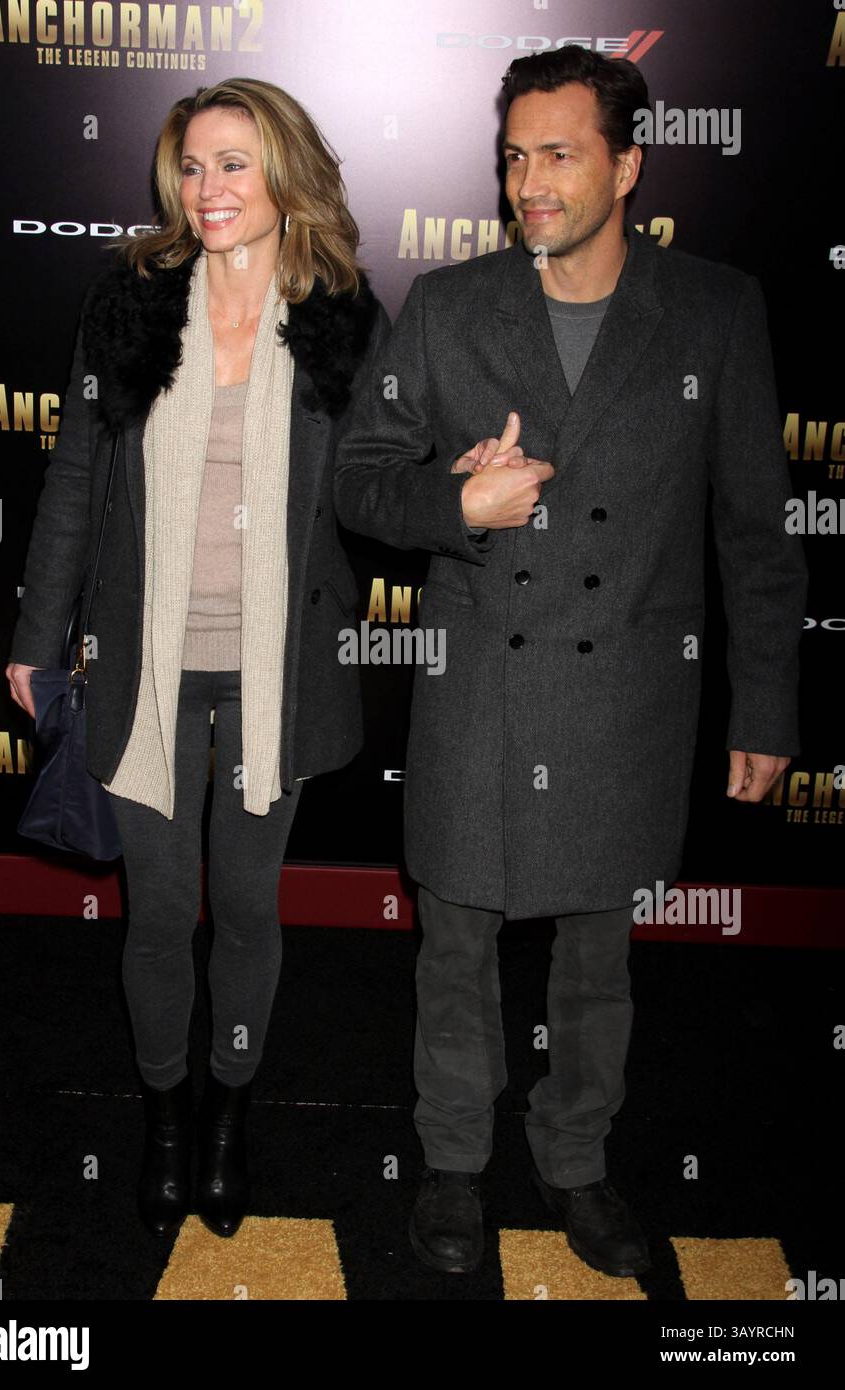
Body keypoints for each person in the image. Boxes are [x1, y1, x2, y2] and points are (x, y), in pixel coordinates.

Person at [333, 46, 808, 1277]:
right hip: (481, 694)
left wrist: (764, 703)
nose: (528, 181)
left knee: (598, 970)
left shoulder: (714, 310)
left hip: (626, 704)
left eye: (558, 152)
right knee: (454, 954)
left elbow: (755, 530)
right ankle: (449, 1165)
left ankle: (578, 1162)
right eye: (512, 155)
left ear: (627, 164)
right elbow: (358, 477)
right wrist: (460, 508)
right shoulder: (447, 306)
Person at [6, 78, 388, 1240]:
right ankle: (165, 1113)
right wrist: (36, 637)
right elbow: (77, 477)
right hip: (148, 668)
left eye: (233, 163)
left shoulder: (343, 317)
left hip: (274, 673)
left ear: (285, 176)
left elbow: (374, 486)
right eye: (192, 166)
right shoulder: (129, 304)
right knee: (160, 914)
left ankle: (229, 1111)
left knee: (249, 911)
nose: (208, 189)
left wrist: (457, 490)